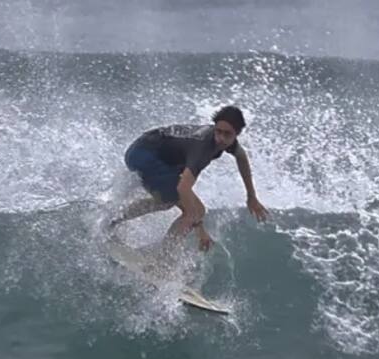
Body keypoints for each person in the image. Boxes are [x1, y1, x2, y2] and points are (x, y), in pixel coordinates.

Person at [106, 105, 268, 251]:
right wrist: (200, 230)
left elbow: (241, 157)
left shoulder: (226, 142)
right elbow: (183, 188)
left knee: (172, 203)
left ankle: (113, 221)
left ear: (237, 134)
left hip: (149, 153)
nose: (221, 138)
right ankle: (161, 261)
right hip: (144, 155)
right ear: (214, 127)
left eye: (227, 134)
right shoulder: (203, 148)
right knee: (191, 209)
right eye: (218, 131)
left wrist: (251, 197)